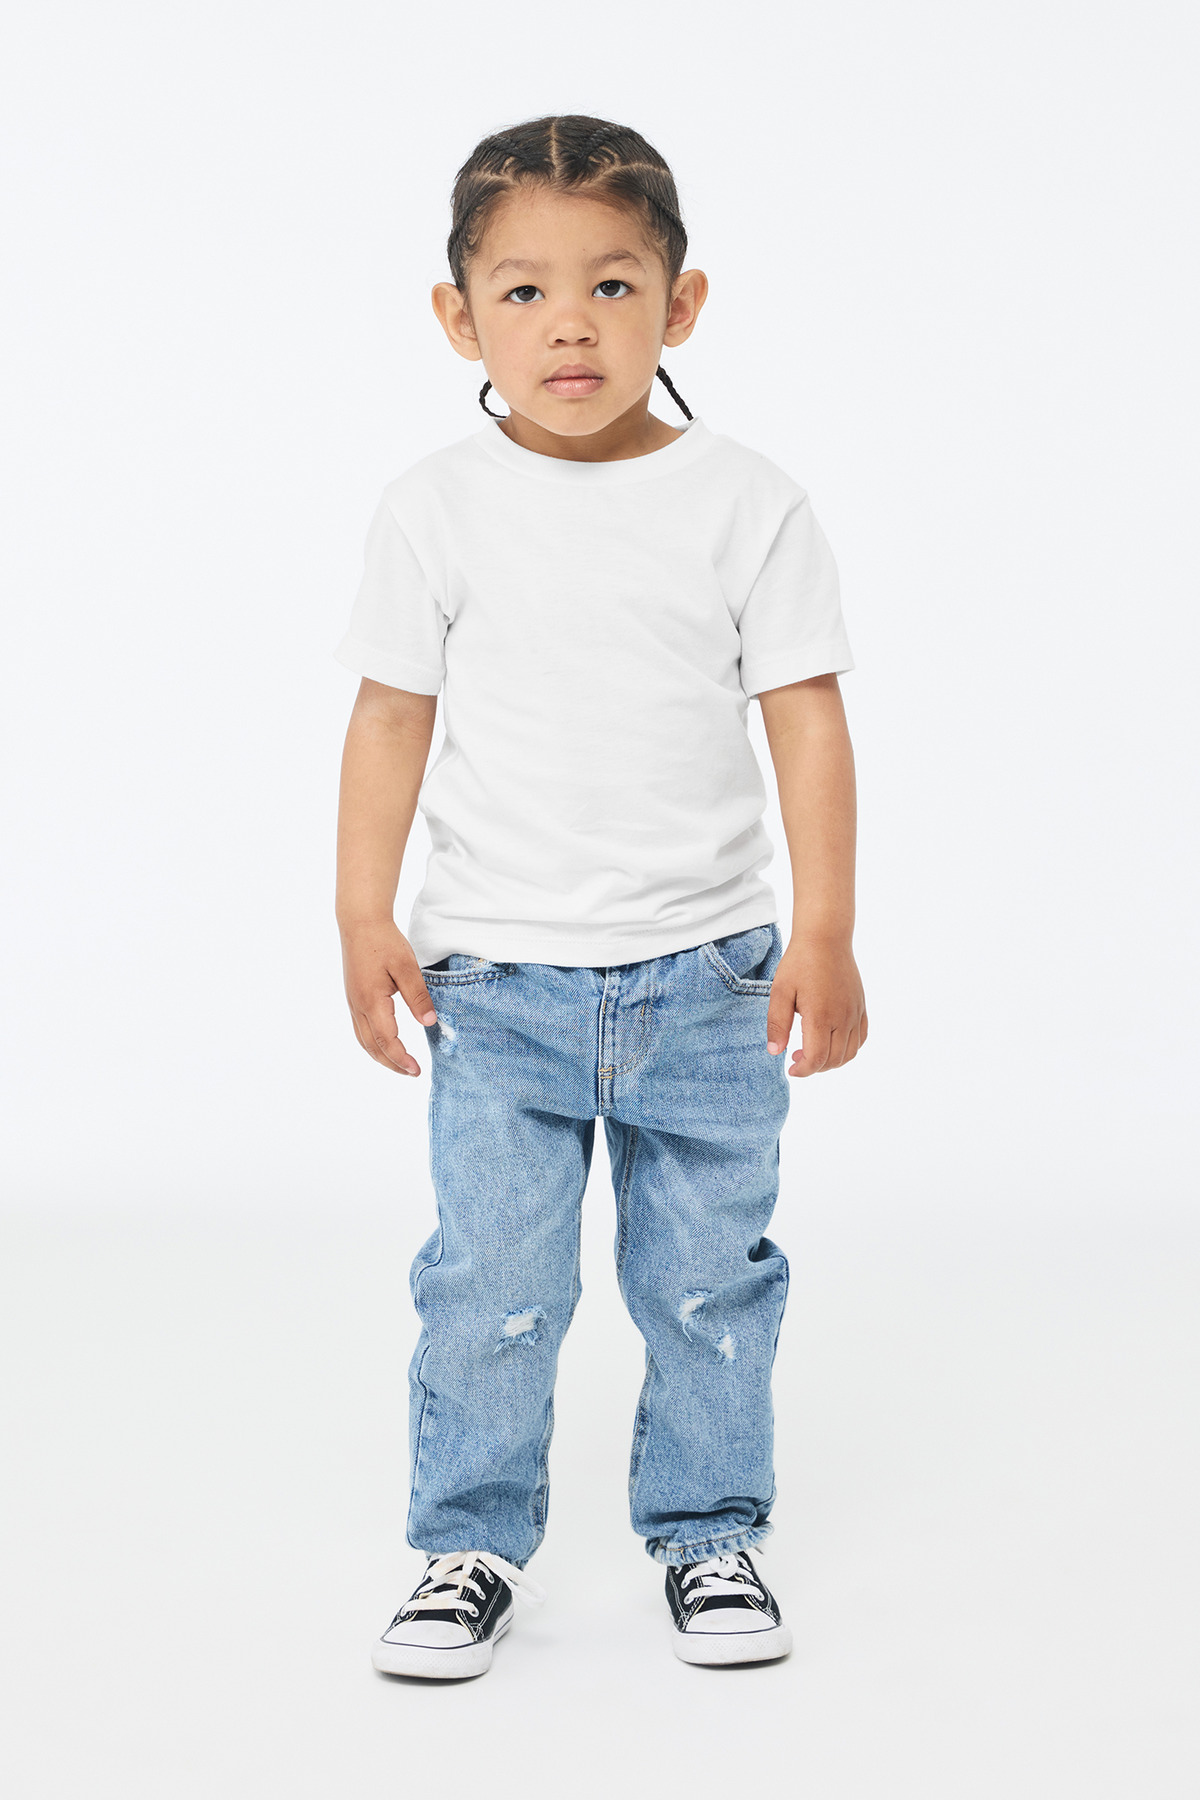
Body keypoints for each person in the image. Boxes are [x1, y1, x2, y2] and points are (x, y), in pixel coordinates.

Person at [333, 114, 867, 1679]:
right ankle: (467, 1547)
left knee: (709, 1284)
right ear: (461, 319)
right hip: (498, 985)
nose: (571, 325)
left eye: (614, 286)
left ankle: (709, 1535)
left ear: (679, 305)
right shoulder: (434, 508)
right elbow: (389, 719)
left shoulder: (749, 504)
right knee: (490, 1287)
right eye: (525, 291)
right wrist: (363, 914)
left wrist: (825, 931)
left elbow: (807, 721)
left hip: (708, 980)